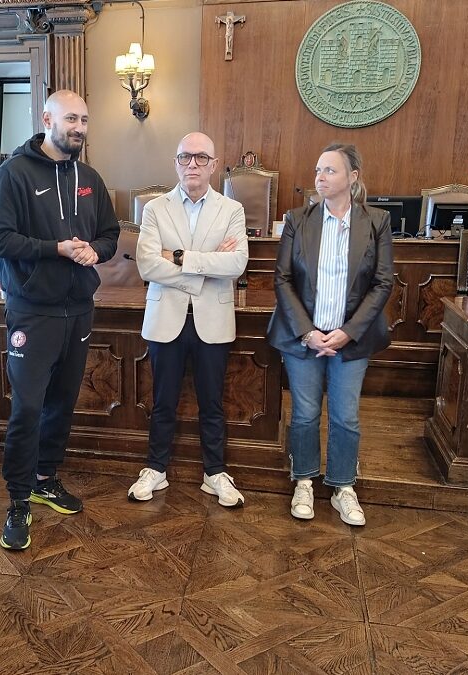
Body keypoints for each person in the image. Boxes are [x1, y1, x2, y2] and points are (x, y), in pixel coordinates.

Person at [0, 90, 120, 551]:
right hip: (32, 312)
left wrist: (93, 250)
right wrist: (55, 249)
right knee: (27, 408)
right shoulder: (13, 174)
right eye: (71, 119)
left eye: (84, 119)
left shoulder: (91, 178)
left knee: (63, 401)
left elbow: (110, 235)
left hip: (79, 308)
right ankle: (18, 499)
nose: (79, 127)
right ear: (47, 119)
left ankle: (45, 478)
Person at [267, 143, 393, 526]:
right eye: (318, 170)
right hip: (303, 337)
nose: (320, 177)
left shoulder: (377, 221)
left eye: (330, 171)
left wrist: (347, 333)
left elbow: (383, 282)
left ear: (352, 178)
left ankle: (342, 485)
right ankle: (303, 479)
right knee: (304, 414)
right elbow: (283, 279)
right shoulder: (297, 219)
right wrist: (307, 332)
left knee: (345, 416)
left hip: (350, 340)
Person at [128, 132, 249, 506]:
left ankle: (215, 473)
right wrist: (205, 264)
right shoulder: (154, 208)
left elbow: (236, 264)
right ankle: (156, 469)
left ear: (213, 165)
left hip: (213, 320)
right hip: (167, 318)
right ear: (175, 162)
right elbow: (147, 264)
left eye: (200, 158)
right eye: (184, 157)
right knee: (163, 400)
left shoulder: (232, 210)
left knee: (212, 402)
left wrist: (178, 256)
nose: (192, 164)